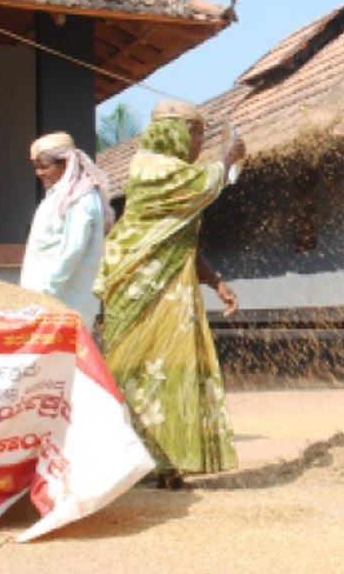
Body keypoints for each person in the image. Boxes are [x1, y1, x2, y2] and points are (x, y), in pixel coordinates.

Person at [94, 99, 245, 489]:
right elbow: (207, 182)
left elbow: (180, 240)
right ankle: (133, 460)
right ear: (175, 134)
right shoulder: (152, 169)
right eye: (196, 134)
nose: (199, 143)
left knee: (171, 368)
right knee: (136, 371)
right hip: (139, 289)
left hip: (167, 288)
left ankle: (168, 461)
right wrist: (228, 158)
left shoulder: (177, 177)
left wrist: (215, 281)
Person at [20, 132, 114, 329]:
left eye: (44, 167)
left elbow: (72, 250)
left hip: (64, 302)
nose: (39, 173)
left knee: (63, 358)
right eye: (36, 167)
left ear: (65, 163)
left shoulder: (81, 199)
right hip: (46, 300)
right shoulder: (59, 195)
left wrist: (46, 292)